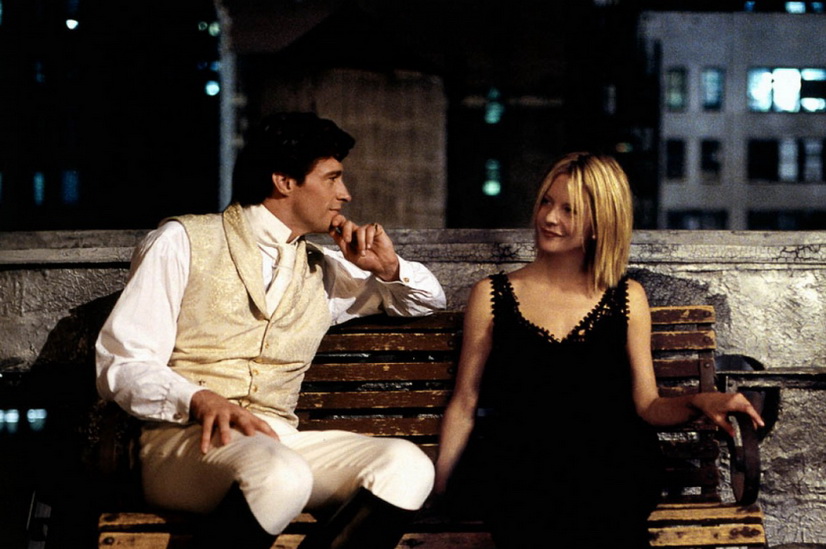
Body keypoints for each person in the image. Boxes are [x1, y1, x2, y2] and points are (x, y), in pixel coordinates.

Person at [95, 112, 446, 549]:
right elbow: (122, 362)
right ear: (284, 181)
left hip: (277, 441)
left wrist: (387, 268)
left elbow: (425, 300)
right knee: (280, 474)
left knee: (407, 466)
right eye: (332, 178)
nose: (345, 194)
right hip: (183, 441)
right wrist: (199, 398)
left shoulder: (323, 268)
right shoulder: (181, 241)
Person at [433, 152, 764, 548]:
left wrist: (700, 400)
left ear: (600, 223)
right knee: (531, 491)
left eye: (569, 210)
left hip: (609, 471)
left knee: (597, 495)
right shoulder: (491, 296)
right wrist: (439, 487)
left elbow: (648, 405)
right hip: (523, 473)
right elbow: (465, 402)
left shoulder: (627, 298)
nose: (549, 217)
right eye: (546, 202)